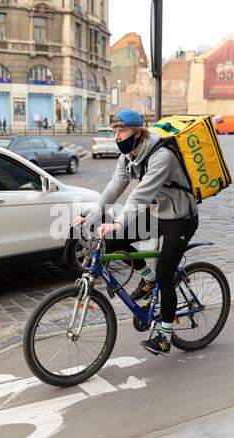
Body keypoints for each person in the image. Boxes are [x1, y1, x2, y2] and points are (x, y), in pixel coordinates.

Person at [71, 109, 199, 357]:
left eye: (122, 131)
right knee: (116, 241)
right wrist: (93, 215)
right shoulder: (128, 156)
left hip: (181, 218)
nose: (117, 136)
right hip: (159, 213)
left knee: (166, 274)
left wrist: (118, 221)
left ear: (138, 132)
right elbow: (114, 187)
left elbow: (141, 195)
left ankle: (165, 336)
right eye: (115, 131)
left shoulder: (161, 156)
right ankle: (147, 278)